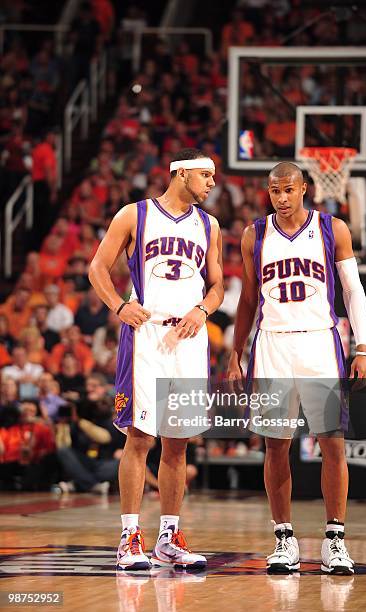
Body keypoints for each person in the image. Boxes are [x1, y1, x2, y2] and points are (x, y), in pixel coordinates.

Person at [228, 162, 366, 576]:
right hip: (272, 343)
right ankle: (284, 539)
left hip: (319, 342)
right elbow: (248, 299)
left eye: (288, 189)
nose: (282, 197)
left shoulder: (333, 228)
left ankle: (335, 541)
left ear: (305, 188)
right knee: (276, 445)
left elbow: (352, 290)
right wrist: (236, 351)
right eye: (274, 191)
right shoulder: (255, 233)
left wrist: (361, 346)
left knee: (332, 443)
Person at [89, 148, 223, 571]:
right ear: (181, 173)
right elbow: (97, 267)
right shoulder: (135, 214)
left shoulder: (210, 225)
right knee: (140, 437)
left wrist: (203, 311)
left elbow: (217, 286)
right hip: (146, 333)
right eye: (205, 175)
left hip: (188, 338)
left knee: (178, 442)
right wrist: (117, 305)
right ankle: (129, 538)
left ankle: (169, 537)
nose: (211, 183)